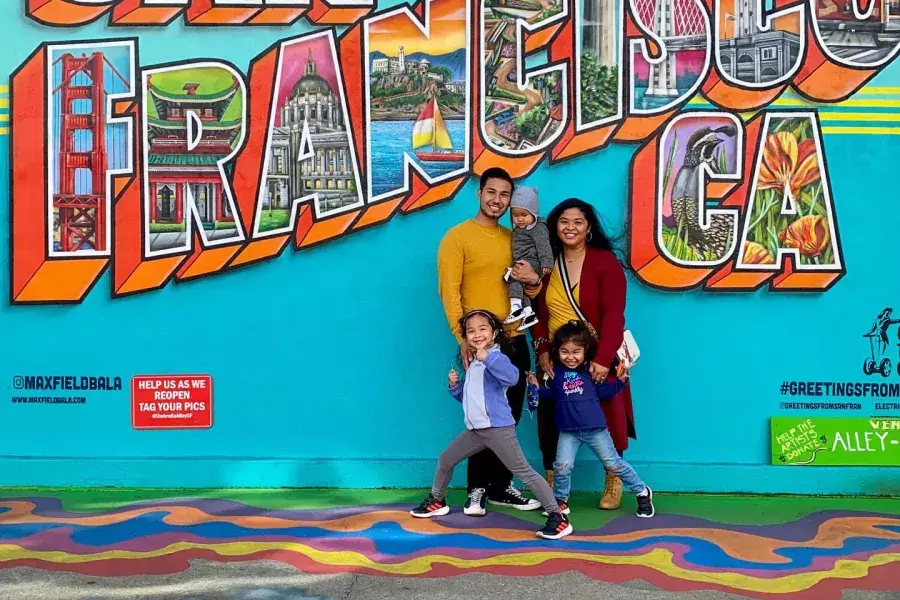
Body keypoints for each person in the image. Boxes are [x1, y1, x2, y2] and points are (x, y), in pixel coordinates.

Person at [411, 310, 573, 540]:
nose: (476, 334)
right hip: (476, 431)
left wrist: (487, 357)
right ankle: (437, 500)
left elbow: (512, 377)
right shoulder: (475, 363)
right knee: (446, 460)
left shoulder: (496, 357)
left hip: (498, 429)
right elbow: (473, 398)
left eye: (482, 329)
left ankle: (558, 518)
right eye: (471, 331)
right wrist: (456, 387)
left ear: (494, 332)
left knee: (524, 472)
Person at [437, 167, 544, 516]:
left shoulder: (513, 238)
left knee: (506, 421)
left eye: (504, 195)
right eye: (491, 192)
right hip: (479, 345)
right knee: (482, 420)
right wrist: (465, 343)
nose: (497, 200)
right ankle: (476, 491)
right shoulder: (457, 237)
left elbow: (530, 286)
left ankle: (501, 487)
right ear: (479, 194)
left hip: (514, 341)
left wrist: (533, 282)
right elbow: (450, 294)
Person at [530, 198, 637, 510]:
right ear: (555, 227)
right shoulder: (547, 266)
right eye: (564, 221)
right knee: (550, 418)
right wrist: (543, 352)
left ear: (589, 227)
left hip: (596, 354)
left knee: (610, 413)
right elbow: (536, 316)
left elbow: (614, 314)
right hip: (556, 356)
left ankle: (614, 478)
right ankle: (552, 482)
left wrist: (604, 359)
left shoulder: (605, 262)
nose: (570, 227)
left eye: (578, 221)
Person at [528, 321, 655, 519]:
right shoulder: (556, 374)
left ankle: (642, 492)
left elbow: (604, 393)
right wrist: (536, 387)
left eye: (576, 351)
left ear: (585, 350)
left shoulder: (591, 371)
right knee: (561, 466)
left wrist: (621, 381)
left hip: (596, 430)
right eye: (564, 352)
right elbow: (551, 395)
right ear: (557, 351)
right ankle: (560, 501)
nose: (570, 357)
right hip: (568, 432)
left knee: (614, 464)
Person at [503, 186, 553, 331]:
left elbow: (544, 245)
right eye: (515, 215)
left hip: (533, 261)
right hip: (525, 260)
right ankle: (528, 313)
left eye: (524, 215)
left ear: (533, 213)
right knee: (517, 283)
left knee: (513, 278)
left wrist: (546, 263)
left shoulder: (538, 228)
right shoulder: (520, 229)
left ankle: (516, 308)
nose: (519, 219)